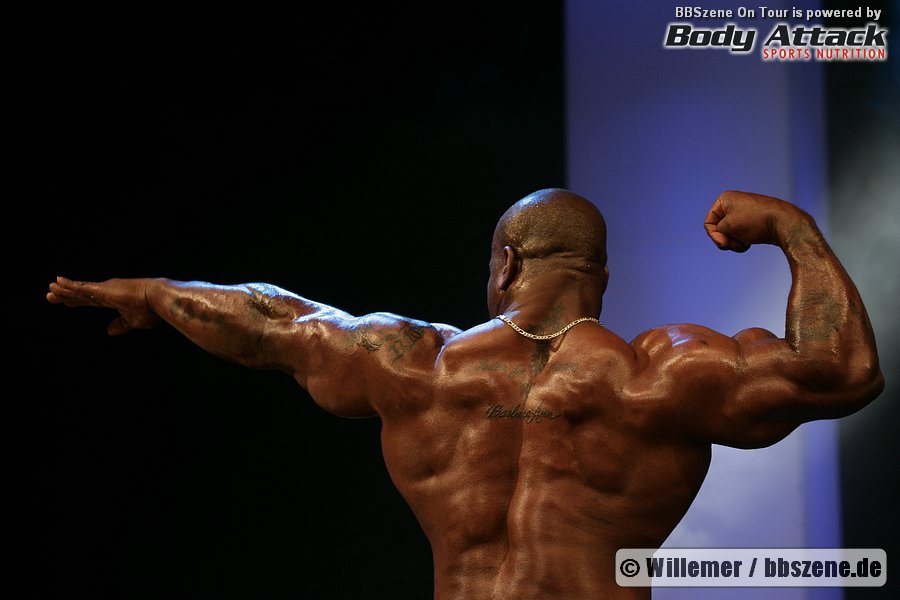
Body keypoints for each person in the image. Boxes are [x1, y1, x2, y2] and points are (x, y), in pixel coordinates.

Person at [47, 188, 883, 600]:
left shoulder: (419, 365)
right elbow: (843, 370)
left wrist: (155, 292)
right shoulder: (656, 375)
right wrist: (792, 229)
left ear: (506, 265)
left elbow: (275, 321)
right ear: (599, 277)